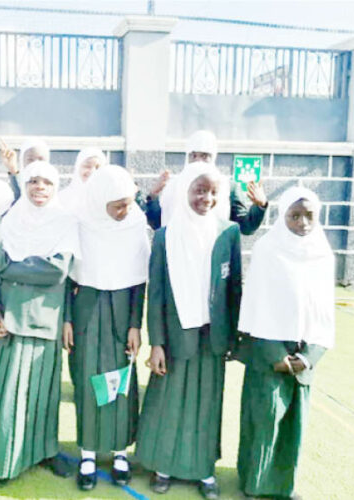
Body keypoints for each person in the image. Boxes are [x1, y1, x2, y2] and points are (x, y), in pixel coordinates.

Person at [136, 162, 242, 500]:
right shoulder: (167, 235)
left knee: (207, 403)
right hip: (176, 333)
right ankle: (163, 466)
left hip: (213, 335)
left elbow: (234, 288)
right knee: (170, 402)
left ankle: (203, 470)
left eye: (213, 191)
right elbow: (157, 294)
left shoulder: (229, 232)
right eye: (199, 189)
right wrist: (157, 344)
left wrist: (233, 337)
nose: (206, 198)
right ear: (184, 191)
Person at [0, 160, 81, 484]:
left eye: (46, 182)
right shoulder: (9, 220)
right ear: (24, 185)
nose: (39, 188)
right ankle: (5, 460)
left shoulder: (65, 222)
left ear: (55, 187)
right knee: (10, 393)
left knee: (43, 394)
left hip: (46, 321)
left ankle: (44, 451)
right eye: (33, 181)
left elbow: (56, 271)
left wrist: (10, 269)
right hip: (11, 319)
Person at [236, 187, 335, 500]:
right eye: (295, 215)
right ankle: (254, 482)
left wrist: (307, 358)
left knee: (294, 424)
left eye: (309, 216)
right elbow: (256, 305)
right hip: (269, 354)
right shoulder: (268, 250)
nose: (303, 223)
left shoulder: (323, 253)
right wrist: (275, 355)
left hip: (304, 355)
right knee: (263, 419)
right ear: (282, 216)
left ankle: (283, 486)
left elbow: (324, 313)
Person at [64, 164, 149, 490]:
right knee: (88, 380)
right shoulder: (81, 222)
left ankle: (118, 452)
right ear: (100, 200)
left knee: (120, 381)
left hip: (120, 313)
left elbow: (139, 280)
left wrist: (134, 326)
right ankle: (87, 451)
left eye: (128, 202)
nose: (124, 210)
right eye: (117, 205)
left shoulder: (136, 222)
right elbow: (68, 276)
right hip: (86, 311)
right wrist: (67, 319)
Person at [144, 130, 267, 235]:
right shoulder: (174, 185)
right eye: (193, 156)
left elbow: (245, 228)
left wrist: (259, 206)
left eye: (204, 156)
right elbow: (160, 225)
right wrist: (153, 196)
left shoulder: (227, 187)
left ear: (213, 157)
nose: (198, 161)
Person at [58, 148, 107, 215]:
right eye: (87, 166)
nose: (92, 171)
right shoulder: (62, 198)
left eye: (97, 167)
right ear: (78, 167)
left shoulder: (107, 198)